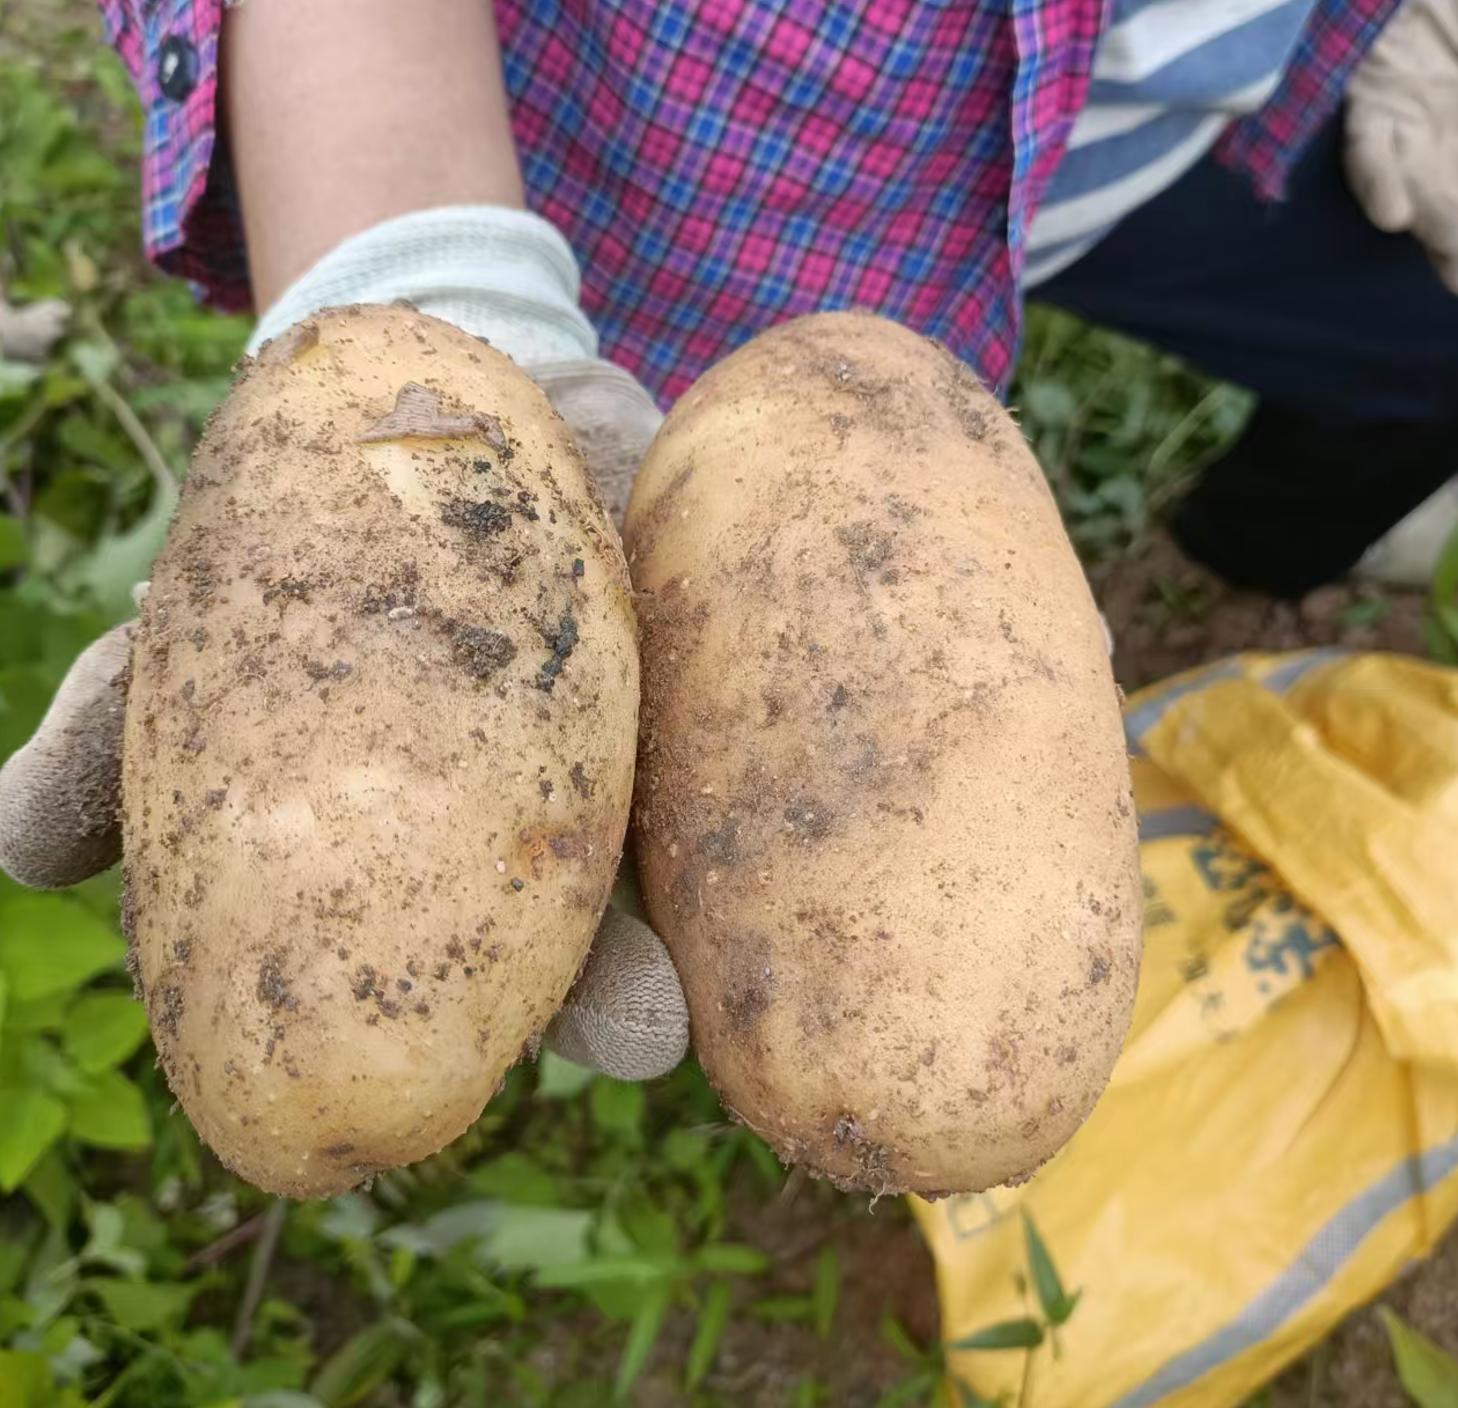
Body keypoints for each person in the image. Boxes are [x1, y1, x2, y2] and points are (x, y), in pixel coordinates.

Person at [0, 0, 1454, 1079]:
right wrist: (440, 293)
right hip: (666, 170)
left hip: (1175, 113)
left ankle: (1250, 558)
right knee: (739, 486)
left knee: (1419, 357)